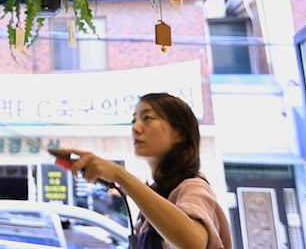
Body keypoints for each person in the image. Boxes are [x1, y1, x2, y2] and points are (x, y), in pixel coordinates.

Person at [54, 93, 232, 249]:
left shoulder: (193, 187)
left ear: (180, 134)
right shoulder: (156, 197)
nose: (135, 128)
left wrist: (120, 176)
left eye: (147, 118)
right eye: (134, 120)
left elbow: (193, 243)